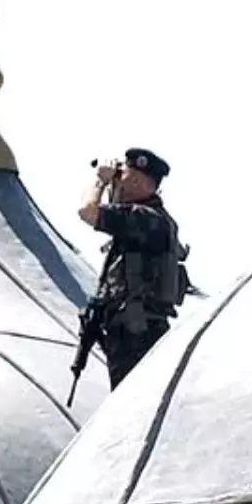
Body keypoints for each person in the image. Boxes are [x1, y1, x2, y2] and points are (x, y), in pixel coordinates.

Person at [75, 147, 189, 390]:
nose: (116, 183)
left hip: (136, 333)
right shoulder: (146, 220)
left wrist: (100, 181)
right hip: (134, 331)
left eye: (121, 176)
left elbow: (87, 211)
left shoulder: (145, 218)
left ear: (137, 181)